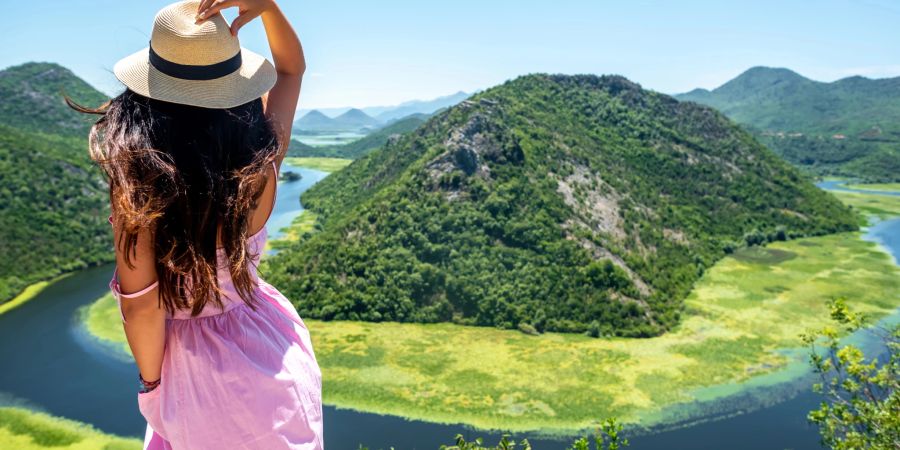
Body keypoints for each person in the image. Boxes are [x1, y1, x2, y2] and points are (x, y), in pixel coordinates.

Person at [69, 1, 323, 448]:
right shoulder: (259, 165)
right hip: (272, 350)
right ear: (235, 89)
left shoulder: (139, 193)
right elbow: (290, 72)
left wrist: (153, 384)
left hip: (194, 377)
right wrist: (268, 10)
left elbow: (141, 307)